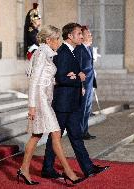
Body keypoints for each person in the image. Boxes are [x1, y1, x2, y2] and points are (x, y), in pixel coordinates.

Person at [41, 23, 109, 180]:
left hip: (72, 102)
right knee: (55, 138)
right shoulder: (63, 53)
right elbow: (59, 78)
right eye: (78, 33)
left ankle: (88, 168)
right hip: (63, 103)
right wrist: (78, 78)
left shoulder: (73, 51)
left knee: (76, 137)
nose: (81, 36)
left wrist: (76, 77)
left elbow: (69, 75)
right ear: (70, 36)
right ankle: (47, 168)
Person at [17, 25, 83, 185]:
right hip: (40, 100)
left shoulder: (46, 53)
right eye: (57, 38)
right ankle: (68, 172)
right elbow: (34, 81)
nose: (59, 42)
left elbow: (45, 78)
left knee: (37, 135)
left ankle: (24, 170)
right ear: (48, 40)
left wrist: (65, 77)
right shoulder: (41, 54)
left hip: (45, 98)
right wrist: (31, 106)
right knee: (55, 133)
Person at [74, 26, 97, 140]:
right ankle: (79, 132)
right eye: (88, 35)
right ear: (82, 37)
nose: (91, 37)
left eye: (91, 35)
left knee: (87, 108)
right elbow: (78, 69)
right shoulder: (79, 49)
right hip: (83, 84)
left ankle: (85, 131)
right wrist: (81, 85)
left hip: (89, 83)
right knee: (82, 108)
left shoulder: (89, 48)